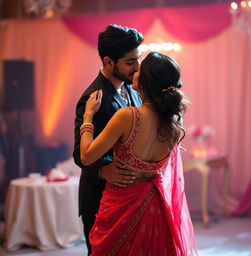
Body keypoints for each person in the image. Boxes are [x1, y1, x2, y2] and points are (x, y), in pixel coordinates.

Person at [80, 52, 197, 255]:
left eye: (140, 69)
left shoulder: (128, 116)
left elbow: (86, 156)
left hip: (121, 206)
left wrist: (88, 117)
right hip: (156, 207)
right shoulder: (174, 123)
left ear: (145, 82)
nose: (135, 69)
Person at [73, 24, 143, 254]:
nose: (137, 67)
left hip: (128, 194)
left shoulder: (133, 89)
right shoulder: (91, 97)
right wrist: (103, 170)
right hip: (99, 196)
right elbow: (78, 153)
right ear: (108, 61)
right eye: (130, 62)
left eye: (138, 59)